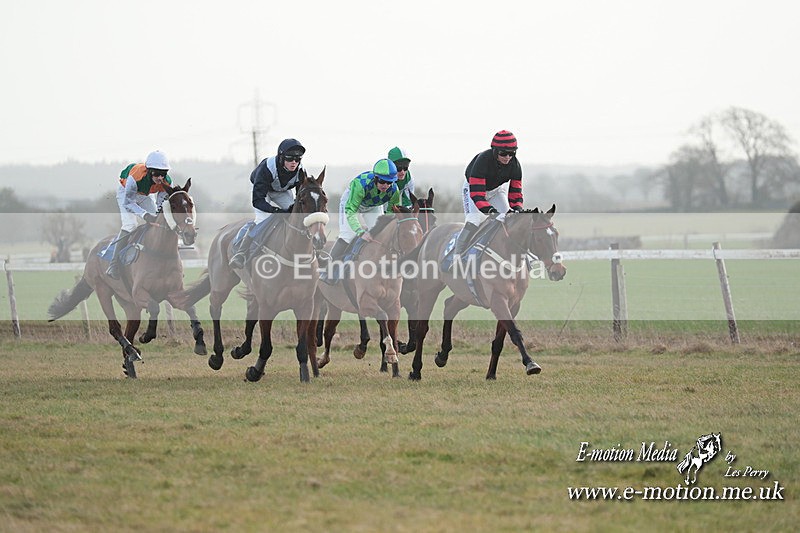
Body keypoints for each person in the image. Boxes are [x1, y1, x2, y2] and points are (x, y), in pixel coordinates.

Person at [228, 138, 306, 269]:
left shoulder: (300, 171)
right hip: (261, 191)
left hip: (281, 191)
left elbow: (300, 198)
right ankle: (241, 252)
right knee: (263, 219)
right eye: (290, 159)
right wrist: (275, 211)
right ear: (281, 158)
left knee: (295, 216)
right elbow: (257, 201)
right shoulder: (267, 168)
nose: (294, 163)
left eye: (297, 159)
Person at [454, 130, 523, 255]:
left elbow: (515, 194)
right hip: (473, 189)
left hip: (496, 191)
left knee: (509, 218)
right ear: (495, 151)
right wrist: (491, 211)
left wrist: (517, 208)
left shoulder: (515, 165)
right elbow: (477, 195)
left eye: (512, 153)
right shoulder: (483, 161)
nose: (508, 157)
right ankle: (457, 256)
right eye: (503, 153)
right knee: (474, 220)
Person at [107, 150, 172, 279]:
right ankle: (113, 265)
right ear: (149, 171)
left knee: (158, 221)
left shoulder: (166, 182)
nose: (160, 178)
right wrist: (145, 215)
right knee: (130, 224)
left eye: (163, 174)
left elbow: (160, 204)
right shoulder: (135, 177)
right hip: (126, 193)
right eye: (157, 174)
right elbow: (129, 203)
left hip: (144, 195)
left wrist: (157, 215)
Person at [329, 158, 402, 260]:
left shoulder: (394, 191)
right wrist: (360, 232)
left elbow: (391, 213)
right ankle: (328, 268)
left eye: (389, 183)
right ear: (376, 178)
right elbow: (351, 210)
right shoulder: (361, 184)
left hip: (373, 206)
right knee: (348, 236)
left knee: (380, 234)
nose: (386, 185)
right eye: (382, 181)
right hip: (352, 203)